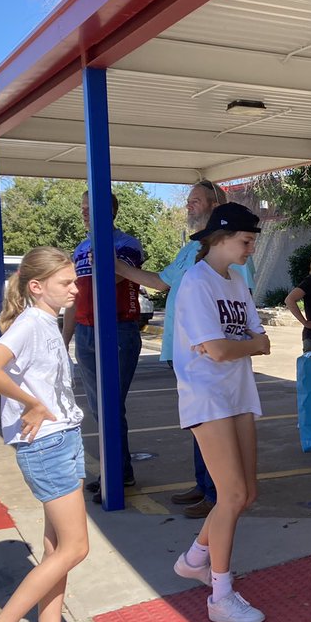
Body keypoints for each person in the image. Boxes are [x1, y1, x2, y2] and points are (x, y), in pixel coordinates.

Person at [0, 247, 103, 622]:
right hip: (46, 447)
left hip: (62, 439)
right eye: (67, 283)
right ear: (36, 287)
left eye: (74, 282)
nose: (76, 289)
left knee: (54, 550)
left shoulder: (45, 321)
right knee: (74, 548)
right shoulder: (28, 324)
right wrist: (32, 403)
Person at [113, 179, 254, 519]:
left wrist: (234, 343)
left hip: (213, 355)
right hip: (185, 351)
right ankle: (204, 484)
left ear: (214, 205)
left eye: (195, 200)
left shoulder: (231, 254)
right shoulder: (188, 251)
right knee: (199, 422)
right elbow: (161, 282)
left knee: (211, 419)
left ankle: (216, 491)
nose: (188, 206)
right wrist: (118, 267)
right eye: (189, 201)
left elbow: (242, 302)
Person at [170, 203, 271, 622]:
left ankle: (195, 558)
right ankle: (221, 594)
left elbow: (260, 341)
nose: (251, 248)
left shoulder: (236, 282)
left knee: (246, 494)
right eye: (246, 241)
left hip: (237, 394)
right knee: (230, 496)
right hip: (207, 397)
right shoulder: (197, 283)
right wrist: (234, 346)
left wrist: (232, 347)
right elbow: (224, 348)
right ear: (222, 238)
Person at [63, 191, 145, 503]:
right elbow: (74, 296)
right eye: (82, 208)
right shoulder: (82, 248)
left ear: (109, 211)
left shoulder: (126, 244)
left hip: (117, 329)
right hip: (85, 331)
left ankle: (116, 473)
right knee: (99, 407)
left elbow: (111, 280)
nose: (85, 214)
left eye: (91, 208)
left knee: (110, 403)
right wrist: (64, 339)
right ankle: (118, 470)